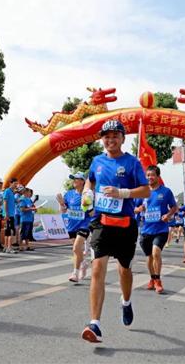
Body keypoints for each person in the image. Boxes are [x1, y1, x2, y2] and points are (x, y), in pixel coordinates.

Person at [81, 120, 149, 343]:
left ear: (122, 138)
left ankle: (126, 301)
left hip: (125, 225)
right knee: (97, 269)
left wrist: (123, 193)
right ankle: (95, 324)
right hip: (101, 223)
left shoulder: (132, 162)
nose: (110, 140)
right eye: (106, 136)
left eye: (115, 136)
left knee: (124, 270)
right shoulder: (97, 161)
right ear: (102, 139)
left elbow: (146, 191)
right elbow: (90, 182)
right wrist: (87, 193)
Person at [137, 165, 177, 294]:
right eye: (148, 175)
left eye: (152, 175)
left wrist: (168, 215)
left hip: (161, 229)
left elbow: (174, 207)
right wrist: (139, 209)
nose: (149, 177)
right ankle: (152, 278)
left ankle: (158, 280)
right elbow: (134, 208)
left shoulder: (166, 191)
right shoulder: (142, 192)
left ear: (158, 176)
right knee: (149, 257)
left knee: (156, 253)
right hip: (146, 230)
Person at [59, 172, 93, 282]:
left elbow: (92, 213)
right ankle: (83, 263)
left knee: (76, 248)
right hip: (72, 225)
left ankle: (75, 273)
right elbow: (63, 210)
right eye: (73, 179)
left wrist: (89, 207)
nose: (74, 181)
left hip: (84, 225)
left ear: (83, 181)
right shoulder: (68, 194)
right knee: (76, 250)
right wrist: (61, 204)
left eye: (76, 179)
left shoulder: (87, 194)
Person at [2, 178, 19, 254]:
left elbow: (14, 201)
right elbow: (5, 202)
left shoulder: (12, 192)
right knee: (11, 231)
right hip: (8, 214)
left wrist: (20, 198)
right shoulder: (7, 191)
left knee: (8, 231)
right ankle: (9, 247)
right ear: (10, 183)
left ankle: (6, 247)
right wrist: (6, 213)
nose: (16, 185)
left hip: (11, 214)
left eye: (16, 184)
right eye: (15, 183)